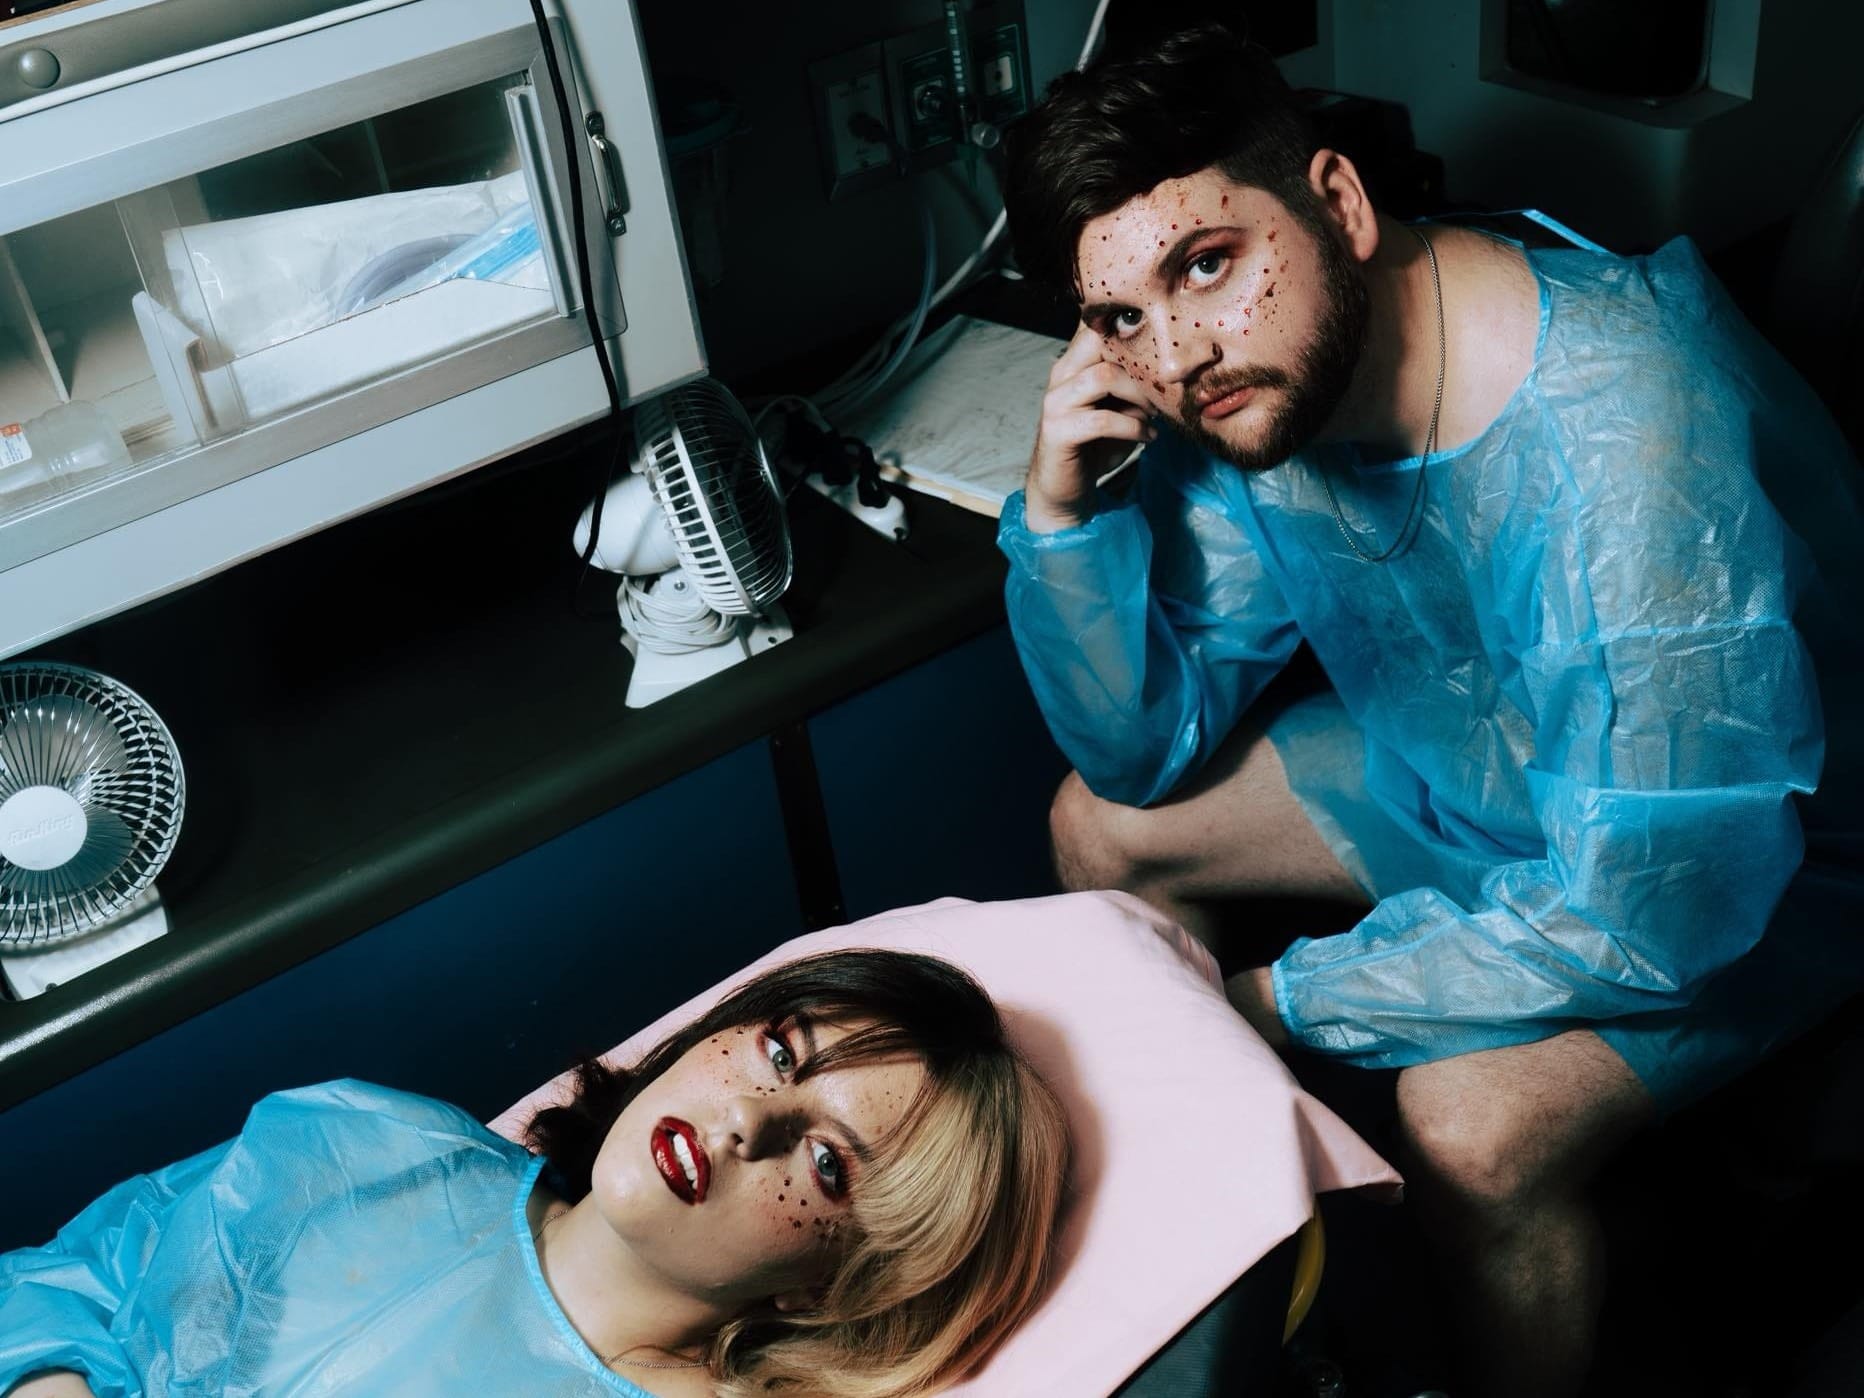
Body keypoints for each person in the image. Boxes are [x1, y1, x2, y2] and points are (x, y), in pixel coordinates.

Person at [997, 23, 1864, 1398]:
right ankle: (1217, 1255)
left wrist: (1271, 1000)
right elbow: (1139, 749)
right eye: (1118, 317)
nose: (1176, 351)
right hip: (1479, 776)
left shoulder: (1627, 444)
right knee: (1097, 824)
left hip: (1760, 869)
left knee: (1468, 1125)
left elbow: (1654, 911)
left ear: (1337, 203)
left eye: (1206, 262)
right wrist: (1058, 513)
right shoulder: (1252, 389)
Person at [0, 949, 1069, 1398]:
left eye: (828, 1165)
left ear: (834, 1289)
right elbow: (67, 1274)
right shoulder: (379, 1142)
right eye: (780, 1052)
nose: (748, 1117)